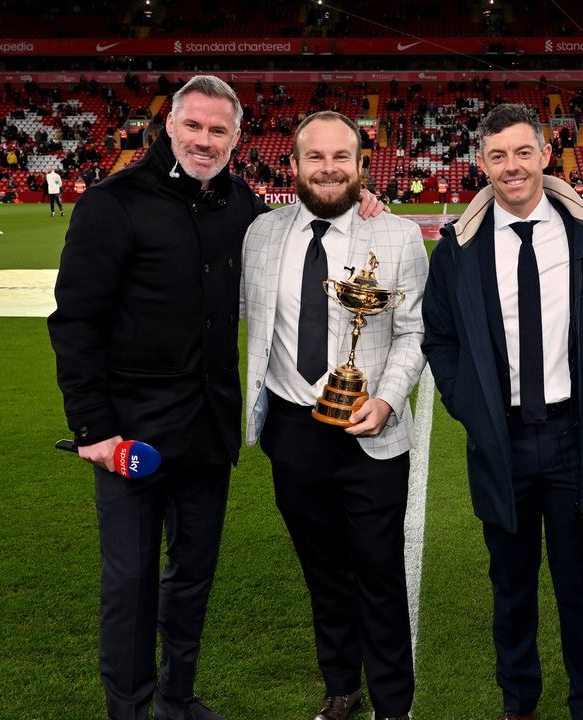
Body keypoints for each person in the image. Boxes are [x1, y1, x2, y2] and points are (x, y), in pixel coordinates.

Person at [48, 75, 383, 720]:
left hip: (206, 431)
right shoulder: (111, 204)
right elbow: (75, 323)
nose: (205, 141)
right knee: (131, 582)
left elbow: (304, 228)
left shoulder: (243, 207)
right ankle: (131, 710)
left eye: (218, 130)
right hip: (131, 436)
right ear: (169, 126)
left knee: (192, 577)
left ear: (236, 137)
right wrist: (92, 429)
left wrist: (358, 201)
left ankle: (177, 699)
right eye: (194, 126)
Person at [421, 103, 583, 720]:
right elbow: (440, 339)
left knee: (581, 585)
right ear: (481, 163)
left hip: (574, 438)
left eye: (523, 152)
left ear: (546, 154)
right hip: (500, 441)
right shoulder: (459, 249)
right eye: (497, 155)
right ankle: (520, 700)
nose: (512, 167)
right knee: (511, 586)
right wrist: (473, 409)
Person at [241, 111, 426, 720]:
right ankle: (341, 685)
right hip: (293, 430)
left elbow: (412, 332)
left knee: (378, 571)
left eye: (340, 157)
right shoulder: (261, 234)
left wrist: (387, 399)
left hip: (371, 431)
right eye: (314, 157)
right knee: (322, 570)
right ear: (292, 165)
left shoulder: (396, 236)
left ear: (361, 166)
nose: (327, 169)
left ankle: (394, 703)